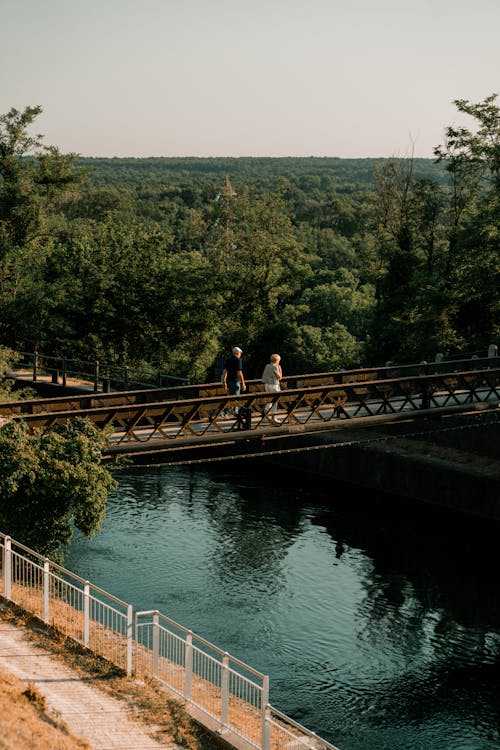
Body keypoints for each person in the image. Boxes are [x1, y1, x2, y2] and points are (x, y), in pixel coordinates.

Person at [261, 353, 282, 423]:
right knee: (275, 401)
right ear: (276, 360)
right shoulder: (275, 367)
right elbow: (280, 377)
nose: (279, 362)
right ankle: (272, 416)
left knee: (270, 399)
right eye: (279, 360)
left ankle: (266, 412)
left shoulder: (267, 366)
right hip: (274, 385)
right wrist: (280, 369)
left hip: (267, 385)